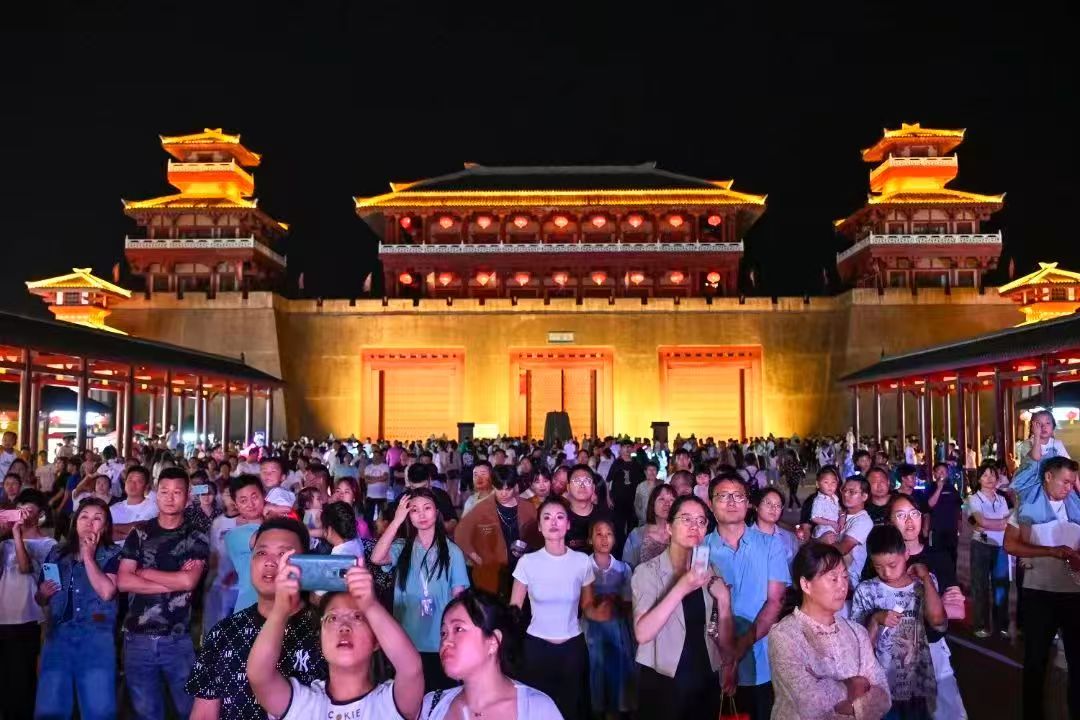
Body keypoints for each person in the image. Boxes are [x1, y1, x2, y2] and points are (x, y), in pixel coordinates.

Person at [246, 549, 425, 720]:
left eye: (357, 617)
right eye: (332, 618)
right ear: (320, 640)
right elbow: (259, 675)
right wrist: (280, 609)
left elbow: (411, 668)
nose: (344, 627)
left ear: (377, 641)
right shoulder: (301, 703)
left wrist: (370, 605)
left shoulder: (390, 703)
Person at [188, 518, 327, 720]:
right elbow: (203, 714)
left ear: (304, 564)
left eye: (283, 554)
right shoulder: (223, 633)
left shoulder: (326, 630)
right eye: (261, 553)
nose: (270, 561)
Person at [117, 466, 209, 720]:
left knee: (190, 710)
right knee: (147, 712)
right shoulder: (140, 532)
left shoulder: (195, 535)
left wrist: (144, 572)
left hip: (177, 637)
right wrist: (175, 582)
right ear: (156, 495)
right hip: (137, 637)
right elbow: (123, 581)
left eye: (177, 492)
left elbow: (189, 580)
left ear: (187, 497)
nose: (170, 497)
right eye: (164, 491)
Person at [631, 494, 733, 720]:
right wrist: (683, 586)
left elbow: (724, 641)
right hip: (663, 681)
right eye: (686, 519)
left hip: (704, 679)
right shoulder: (647, 572)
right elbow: (643, 633)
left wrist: (725, 602)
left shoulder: (711, 572)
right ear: (669, 527)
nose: (694, 526)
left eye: (701, 521)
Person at [871, 493, 968, 719]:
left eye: (914, 514)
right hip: (893, 654)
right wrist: (934, 607)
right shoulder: (878, 561)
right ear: (889, 522)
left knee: (949, 711)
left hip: (933, 648)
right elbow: (874, 611)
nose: (909, 521)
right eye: (901, 515)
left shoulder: (939, 558)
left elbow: (957, 610)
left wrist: (902, 610)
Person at [768, 543, 891, 720]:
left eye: (845, 577)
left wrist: (852, 708)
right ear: (806, 584)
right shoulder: (785, 635)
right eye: (833, 579)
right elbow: (810, 702)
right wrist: (850, 686)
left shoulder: (857, 632)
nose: (843, 586)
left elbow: (883, 695)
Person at [704, 474, 789, 720]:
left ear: (748, 503)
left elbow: (775, 601)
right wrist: (725, 657)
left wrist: (737, 650)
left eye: (738, 496)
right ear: (710, 504)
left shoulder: (771, 545)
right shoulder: (700, 549)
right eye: (723, 496)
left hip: (761, 661)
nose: (731, 502)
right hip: (713, 660)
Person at [371, 487, 470, 691]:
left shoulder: (453, 552)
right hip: (406, 640)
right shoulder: (402, 547)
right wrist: (396, 521)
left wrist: (458, 639)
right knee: (409, 698)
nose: (422, 515)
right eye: (414, 510)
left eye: (427, 508)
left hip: (440, 642)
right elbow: (376, 558)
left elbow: (459, 600)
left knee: (439, 697)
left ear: (437, 511)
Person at [1005, 453, 1080, 719]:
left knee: (1077, 662)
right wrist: (1050, 551)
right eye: (1065, 482)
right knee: (1036, 661)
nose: (1069, 488)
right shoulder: (1027, 508)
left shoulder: (1077, 507)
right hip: (1039, 593)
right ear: (1048, 477)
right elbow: (1010, 544)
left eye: (1072, 482)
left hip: (1075, 594)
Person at [33, 498, 122, 720]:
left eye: (97, 518)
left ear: (106, 526)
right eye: (84, 517)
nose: (89, 523)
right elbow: (41, 599)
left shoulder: (114, 553)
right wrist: (43, 593)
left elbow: (107, 592)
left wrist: (89, 556)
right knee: (50, 708)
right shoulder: (57, 553)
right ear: (75, 522)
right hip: (58, 635)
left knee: (98, 709)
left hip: (97, 636)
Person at [510, 496, 596, 720]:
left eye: (559, 517)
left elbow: (588, 605)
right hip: (536, 649)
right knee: (538, 711)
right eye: (547, 518)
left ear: (568, 524)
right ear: (539, 526)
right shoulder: (527, 562)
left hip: (572, 648)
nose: (554, 522)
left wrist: (605, 612)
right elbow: (514, 610)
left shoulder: (582, 561)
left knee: (571, 710)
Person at [851, 525, 946, 719]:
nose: (886, 572)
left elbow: (938, 620)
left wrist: (926, 579)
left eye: (892, 565)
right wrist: (875, 619)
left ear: (906, 554)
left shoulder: (923, 583)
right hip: (882, 684)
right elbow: (861, 648)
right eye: (878, 566)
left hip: (918, 683)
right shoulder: (866, 590)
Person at [421, 589, 562, 719]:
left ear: (493, 641)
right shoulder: (431, 706)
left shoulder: (537, 710)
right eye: (443, 633)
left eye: (458, 629)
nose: (445, 642)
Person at [0, 489, 57, 720]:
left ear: (40, 514)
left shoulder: (50, 544)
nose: (22, 514)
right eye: (19, 509)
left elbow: (42, 577)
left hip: (29, 618)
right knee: (5, 679)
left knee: (22, 680)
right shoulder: (4, 544)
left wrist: (16, 534)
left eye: (28, 510)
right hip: (3, 616)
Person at [455, 466, 540, 598]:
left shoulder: (527, 507)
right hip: (493, 573)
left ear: (515, 486)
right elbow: (460, 534)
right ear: (493, 485)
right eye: (499, 488)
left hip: (523, 570)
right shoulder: (482, 508)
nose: (504, 493)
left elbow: (537, 538)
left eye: (508, 489)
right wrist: (475, 557)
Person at [584, 518, 635, 719]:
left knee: (619, 668)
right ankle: (596, 709)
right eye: (599, 534)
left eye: (609, 534)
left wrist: (616, 602)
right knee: (594, 667)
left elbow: (629, 601)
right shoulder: (583, 567)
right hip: (591, 629)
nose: (604, 539)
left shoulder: (623, 569)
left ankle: (617, 708)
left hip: (617, 627)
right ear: (590, 539)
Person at [965, 460, 1011, 639]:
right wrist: (1001, 523)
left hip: (1001, 547)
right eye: (985, 475)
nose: (989, 478)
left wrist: (990, 524)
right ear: (979, 479)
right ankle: (981, 625)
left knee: (1002, 587)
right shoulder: (973, 499)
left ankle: (1002, 625)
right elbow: (981, 521)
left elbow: (1006, 524)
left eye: (992, 475)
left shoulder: (1002, 499)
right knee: (980, 586)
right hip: (981, 546)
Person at [226, 474, 267, 613]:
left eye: (254, 497)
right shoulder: (233, 535)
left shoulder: (276, 524)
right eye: (243, 500)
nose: (250, 504)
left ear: (264, 495)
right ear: (236, 505)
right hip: (249, 608)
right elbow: (267, 541)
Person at [203, 485, 240, 639]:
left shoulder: (246, 521)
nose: (230, 498)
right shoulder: (218, 522)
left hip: (239, 585)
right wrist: (210, 578)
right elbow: (214, 553)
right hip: (220, 582)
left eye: (234, 494)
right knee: (214, 623)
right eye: (227, 494)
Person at [622, 483, 675, 569]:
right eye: (661, 499)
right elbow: (627, 569)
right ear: (652, 504)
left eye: (671, 500)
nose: (667, 504)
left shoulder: (680, 534)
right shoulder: (637, 534)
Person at [605, 443, 645, 554]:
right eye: (625, 447)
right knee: (618, 527)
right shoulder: (616, 463)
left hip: (633, 501)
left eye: (629, 447)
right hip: (618, 500)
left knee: (633, 527)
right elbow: (607, 481)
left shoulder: (636, 464)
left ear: (632, 449)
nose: (627, 449)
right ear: (621, 449)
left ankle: (631, 552)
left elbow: (642, 481)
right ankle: (618, 551)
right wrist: (608, 498)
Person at [836, 476, 874, 591]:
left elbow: (843, 549)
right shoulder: (841, 515)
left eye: (852, 492)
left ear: (864, 496)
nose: (846, 494)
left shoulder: (863, 521)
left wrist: (821, 541)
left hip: (849, 582)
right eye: (844, 490)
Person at [564, 464, 610, 553]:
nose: (582, 485)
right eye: (577, 481)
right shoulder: (561, 518)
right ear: (568, 487)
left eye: (587, 481)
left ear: (593, 487)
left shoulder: (607, 516)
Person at [924, 462, 962, 566]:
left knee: (952, 556)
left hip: (951, 530)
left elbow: (958, 506)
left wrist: (959, 523)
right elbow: (929, 505)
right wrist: (939, 488)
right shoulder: (930, 488)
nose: (942, 473)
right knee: (936, 557)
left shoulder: (952, 488)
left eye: (944, 471)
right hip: (936, 530)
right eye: (939, 471)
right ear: (934, 473)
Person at [751, 486, 799, 567]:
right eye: (768, 503)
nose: (773, 508)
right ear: (756, 506)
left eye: (778, 505)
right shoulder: (743, 538)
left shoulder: (790, 538)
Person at [810, 466, 842, 543]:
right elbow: (815, 518)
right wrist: (832, 523)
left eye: (833, 482)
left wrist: (842, 517)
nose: (830, 486)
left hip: (834, 529)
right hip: (824, 531)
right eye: (826, 482)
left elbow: (839, 510)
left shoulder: (835, 497)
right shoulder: (819, 500)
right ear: (818, 484)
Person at [633, 460, 661, 526]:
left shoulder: (661, 485)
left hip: (658, 521)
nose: (651, 472)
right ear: (645, 472)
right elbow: (637, 504)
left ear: (657, 472)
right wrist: (642, 517)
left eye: (654, 470)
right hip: (643, 521)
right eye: (649, 470)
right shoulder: (640, 486)